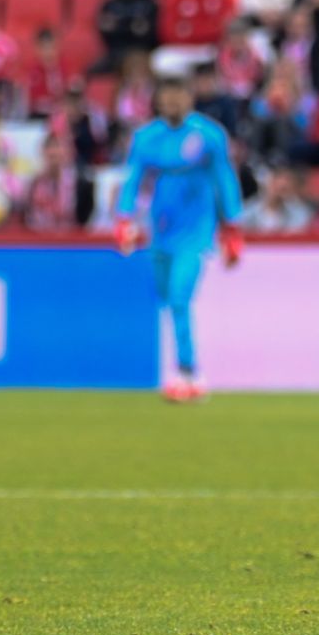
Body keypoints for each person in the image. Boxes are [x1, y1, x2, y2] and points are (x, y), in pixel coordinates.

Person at [115, 74, 246, 403]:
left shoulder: (208, 135)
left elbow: (224, 178)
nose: (173, 103)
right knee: (164, 297)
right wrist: (124, 217)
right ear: (158, 101)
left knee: (179, 296)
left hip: (197, 229)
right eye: (167, 97)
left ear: (190, 99)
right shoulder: (147, 138)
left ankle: (189, 371)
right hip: (162, 227)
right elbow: (132, 179)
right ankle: (180, 369)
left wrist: (232, 225)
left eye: (179, 96)